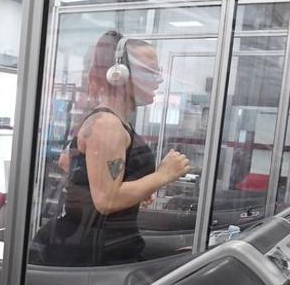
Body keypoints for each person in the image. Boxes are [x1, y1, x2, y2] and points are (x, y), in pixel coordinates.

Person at [33, 30, 191, 266]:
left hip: (109, 242)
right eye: (150, 70)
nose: (158, 79)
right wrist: (163, 175)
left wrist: (136, 189)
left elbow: (72, 165)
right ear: (120, 74)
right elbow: (106, 200)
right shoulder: (108, 125)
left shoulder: (114, 121)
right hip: (90, 252)